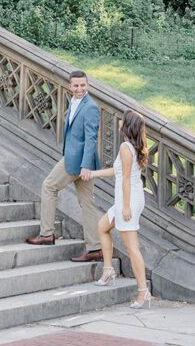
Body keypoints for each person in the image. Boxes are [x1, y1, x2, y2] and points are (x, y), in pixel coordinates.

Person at [26, 69, 102, 262]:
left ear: (88, 85)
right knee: (88, 204)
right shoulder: (75, 102)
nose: (79, 89)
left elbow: (91, 139)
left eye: (83, 85)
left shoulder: (91, 107)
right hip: (79, 159)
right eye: (76, 85)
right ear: (70, 86)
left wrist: (85, 166)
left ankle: (46, 234)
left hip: (77, 161)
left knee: (49, 186)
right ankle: (94, 248)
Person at [85, 108, 151, 310]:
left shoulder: (125, 147)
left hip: (128, 199)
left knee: (132, 248)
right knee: (102, 227)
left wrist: (125, 207)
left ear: (127, 124)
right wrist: (92, 174)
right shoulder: (131, 147)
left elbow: (125, 180)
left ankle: (143, 292)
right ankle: (108, 270)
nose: (120, 120)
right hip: (128, 197)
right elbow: (117, 171)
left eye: (123, 119)